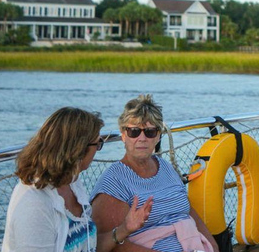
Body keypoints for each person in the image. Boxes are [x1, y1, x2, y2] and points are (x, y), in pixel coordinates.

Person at [2, 107, 153, 252]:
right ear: (78, 149)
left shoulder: (72, 182)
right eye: (98, 143)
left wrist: (124, 229)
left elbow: (89, 248)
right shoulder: (35, 205)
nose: (98, 150)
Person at [91, 95, 219, 252]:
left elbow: (188, 211)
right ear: (123, 135)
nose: (142, 138)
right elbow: (112, 246)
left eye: (150, 132)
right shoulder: (114, 182)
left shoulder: (165, 168)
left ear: (158, 136)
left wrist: (213, 246)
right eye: (134, 131)